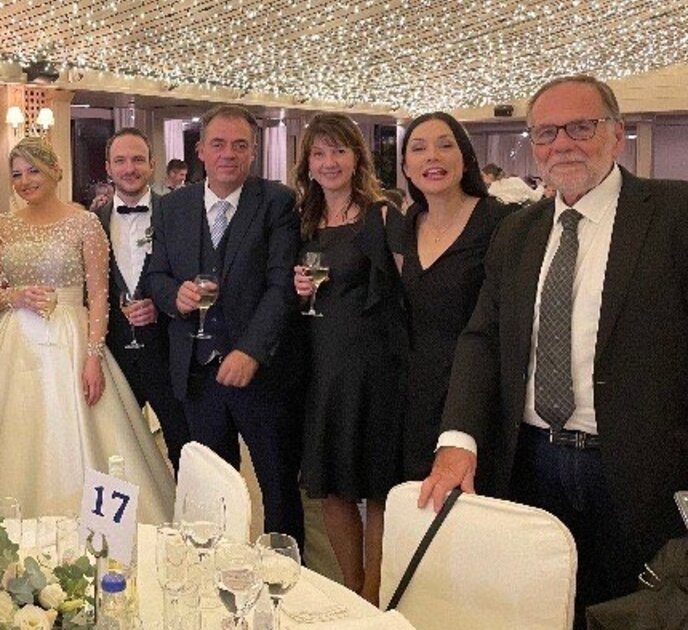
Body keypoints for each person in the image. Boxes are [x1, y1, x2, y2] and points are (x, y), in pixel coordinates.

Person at [419, 75, 688, 621]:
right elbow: (483, 338)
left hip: (645, 473)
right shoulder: (517, 232)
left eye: (581, 127)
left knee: (635, 615)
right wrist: (458, 438)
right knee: (538, 611)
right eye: (546, 133)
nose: (562, 144)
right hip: (530, 464)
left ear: (617, 134)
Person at [0, 137, 174, 523]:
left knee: (76, 432)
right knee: (16, 435)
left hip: (71, 338)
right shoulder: (2, 225)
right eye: (17, 175)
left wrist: (93, 357)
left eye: (34, 171)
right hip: (15, 342)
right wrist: (14, 296)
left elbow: (100, 296)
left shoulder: (85, 222)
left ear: (55, 171)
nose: (25, 181)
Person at [145, 105, 304, 541]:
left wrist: (251, 350)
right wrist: (173, 296)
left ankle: (286, 569)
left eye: (239, 145)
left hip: (263, 375)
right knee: (213, 489)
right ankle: (217, 565)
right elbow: (156, 276)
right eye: (218, 144)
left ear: (253, 151)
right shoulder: (173, 207)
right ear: (200, 150)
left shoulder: (277, 202)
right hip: (198, 374)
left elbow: (281, 286)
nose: (228, 154)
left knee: (278, 487)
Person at [291, 113, 404, 603]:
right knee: (331, 484)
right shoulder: (305, 221)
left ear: (357, 157)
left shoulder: (382, 215)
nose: (329, 162)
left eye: (338, 151)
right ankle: (353, 591)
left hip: (374, 367)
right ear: (308, 164)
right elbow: (297, 300)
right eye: (319, 153)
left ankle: (375, 594)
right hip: (322, 366)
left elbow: (409, 289)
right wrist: (299, 290)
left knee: (377, 485)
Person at [393, 112, 513, 483]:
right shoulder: (410, 221)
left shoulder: (501, 222)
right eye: (418, 149)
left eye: (445, 145)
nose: (432, 156)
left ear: (466, 159)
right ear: (406, 168)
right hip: (416, 393)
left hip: (477, 392)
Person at [91, 127, 191, 471]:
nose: (129, 168)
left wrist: (163, 306)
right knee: (116, 454)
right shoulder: (92, 222)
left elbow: (192, 276)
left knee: (184, 448)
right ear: (108, 167)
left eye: (137, 160)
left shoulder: (178, 214)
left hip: (169, 354)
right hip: (115, 357)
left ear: (152, 164)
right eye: (120, 161)